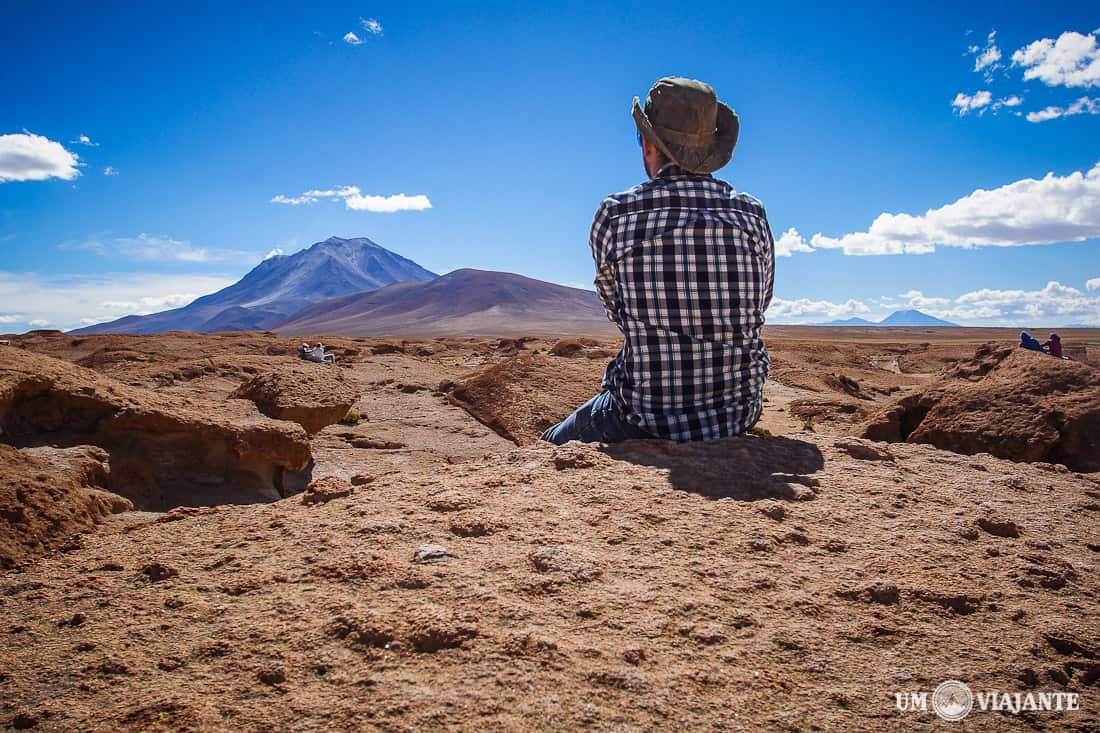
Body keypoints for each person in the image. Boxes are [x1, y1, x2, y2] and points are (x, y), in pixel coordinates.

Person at [541, 77, 773, 445]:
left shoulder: (618, 214)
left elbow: (620, 312)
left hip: (645, 416)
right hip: (737, 413)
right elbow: (759, 305)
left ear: (649, 144)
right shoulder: (751, 214)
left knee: (546, 451)